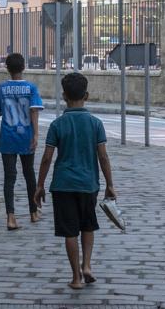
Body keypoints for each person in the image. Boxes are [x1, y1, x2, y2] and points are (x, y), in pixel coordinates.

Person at [34, 73, 116, 290]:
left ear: (64, 96)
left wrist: (39, 185)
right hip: (89, 185)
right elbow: (103, 156)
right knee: (88, 226)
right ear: (86, 95)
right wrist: (110, 184)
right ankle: (87, 265)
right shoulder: (95, 124)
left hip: (63, 186)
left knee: (70, 231)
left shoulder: (57, 125)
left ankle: (76, 278)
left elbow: (47, 157)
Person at [0, 53, 44, 231]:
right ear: (23, 67)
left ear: (7, 68)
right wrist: (36, 135)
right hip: (26, 137)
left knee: (9, 177)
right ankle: (33, 212)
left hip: (7, 137)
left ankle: (11, 217)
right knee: (29, 174)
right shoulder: (31, 88)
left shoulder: (1, 89)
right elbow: (34, 111)